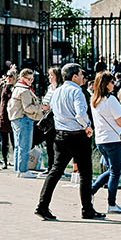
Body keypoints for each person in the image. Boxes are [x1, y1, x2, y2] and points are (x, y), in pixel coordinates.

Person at [36, 63, 102, 221]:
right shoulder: (77, 91)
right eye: (80, 74)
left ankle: (42, 205)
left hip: (60, 134)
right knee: (86, 174)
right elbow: (80, 113)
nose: (82, 77)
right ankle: (87, 209)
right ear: (74, 76)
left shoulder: (57, 91)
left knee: (55, 171)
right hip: (77, 135)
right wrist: (87, 126)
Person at [88, 72, 121, 213]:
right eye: (111, 81)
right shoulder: (111, 100)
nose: (114, 84)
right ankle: (111, 204)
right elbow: (120, 121)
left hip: (101, 139)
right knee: (115, 173)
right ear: (106, 84)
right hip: (113, 139)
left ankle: (91, 192)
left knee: (112, 170)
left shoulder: (94, 100)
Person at [7, 68, 47, 178]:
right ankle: (23, 171)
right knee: (25, 146)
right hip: (24, 119)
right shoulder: (24, 90)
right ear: (23, 78)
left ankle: (18, 169)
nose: (31, 81)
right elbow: (28, 108)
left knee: (18, 146)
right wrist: (41, 108)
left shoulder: (17, 87)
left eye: (32, 79)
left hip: (16, 119)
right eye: (29, 79)